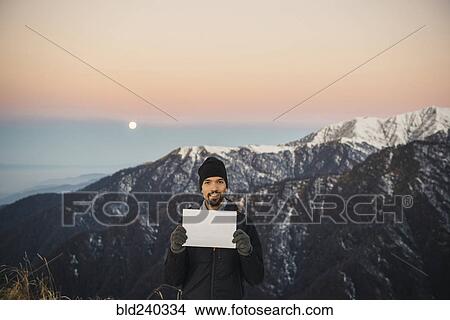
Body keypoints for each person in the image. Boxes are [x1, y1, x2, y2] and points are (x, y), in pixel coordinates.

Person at [164, 156, 264, 299]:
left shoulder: (243, 223)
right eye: (208, 182)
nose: (214, 188)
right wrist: (176, 251)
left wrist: (247, 253)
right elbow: (173, 280)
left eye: (220, 182)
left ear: (226, 187)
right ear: (201, 189)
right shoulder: (188, 223)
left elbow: (256, 278)